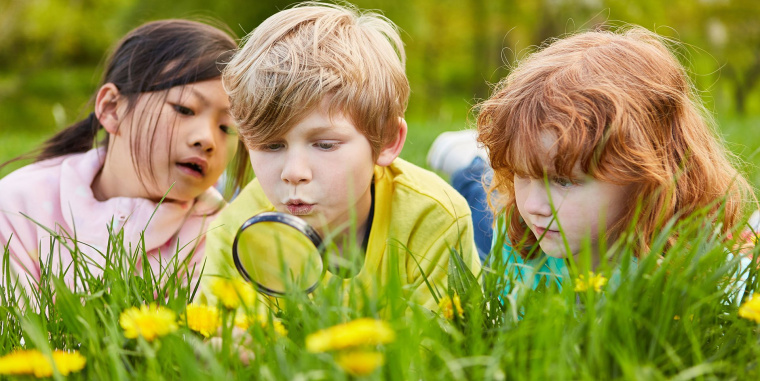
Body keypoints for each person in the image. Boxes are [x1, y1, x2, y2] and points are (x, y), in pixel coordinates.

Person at [199, 2, 481, 312]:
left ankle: (474, 164)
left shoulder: (433, 217)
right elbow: (214, 337)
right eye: (271, 146)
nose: (294, 173)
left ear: (386, 141)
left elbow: (438, 344)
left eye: (325, 145)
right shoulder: (232, 231)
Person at [432, 27, 756, 290]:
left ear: (646, 174)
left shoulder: (699, 274)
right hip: (501, 224)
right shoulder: (518, 242)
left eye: (563, 180)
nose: (533, 204)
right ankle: (471, 163)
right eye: (522, 173)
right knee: (482, 210)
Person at [0, 19, 243, 300]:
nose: (207, 139)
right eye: (184, 109)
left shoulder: (223, 233)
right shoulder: (18, 206)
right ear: (112, 108)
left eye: (227, 127)